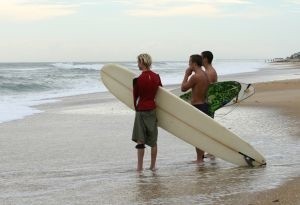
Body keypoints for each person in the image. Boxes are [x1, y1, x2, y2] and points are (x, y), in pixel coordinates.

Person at [132, 53, 162, 172]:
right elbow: (161, 94)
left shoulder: (138, 80)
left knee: (141, 140)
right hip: (152, 109)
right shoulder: (157, 77)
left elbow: (135, 97)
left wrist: (136, 108)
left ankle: (139, 168)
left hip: (141, 110)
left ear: (142, 62)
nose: (137, 64)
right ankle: (153, 166)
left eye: (138, 62)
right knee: (153, 140)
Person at [181, 54, 210, 164]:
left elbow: (183, 88)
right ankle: (200, 158)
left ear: (194, 63)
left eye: (189, 63)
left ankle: (199, 160)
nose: (188, 65)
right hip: (204, 105)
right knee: (201, 133)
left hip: (197, 107)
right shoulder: (205, 75)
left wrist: (186, 74)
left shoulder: (195, 76)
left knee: (197, 135)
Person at [201, 51, 218, 159]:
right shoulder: (207, 71)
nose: (200, 60)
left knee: (207, 127)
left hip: (208, 103)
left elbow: (207, 90)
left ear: (206, 59)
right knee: (206, 127)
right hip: (207, 102)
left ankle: (212, 151)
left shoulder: (210, 72)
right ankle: (210, 150)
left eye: (201, 58)